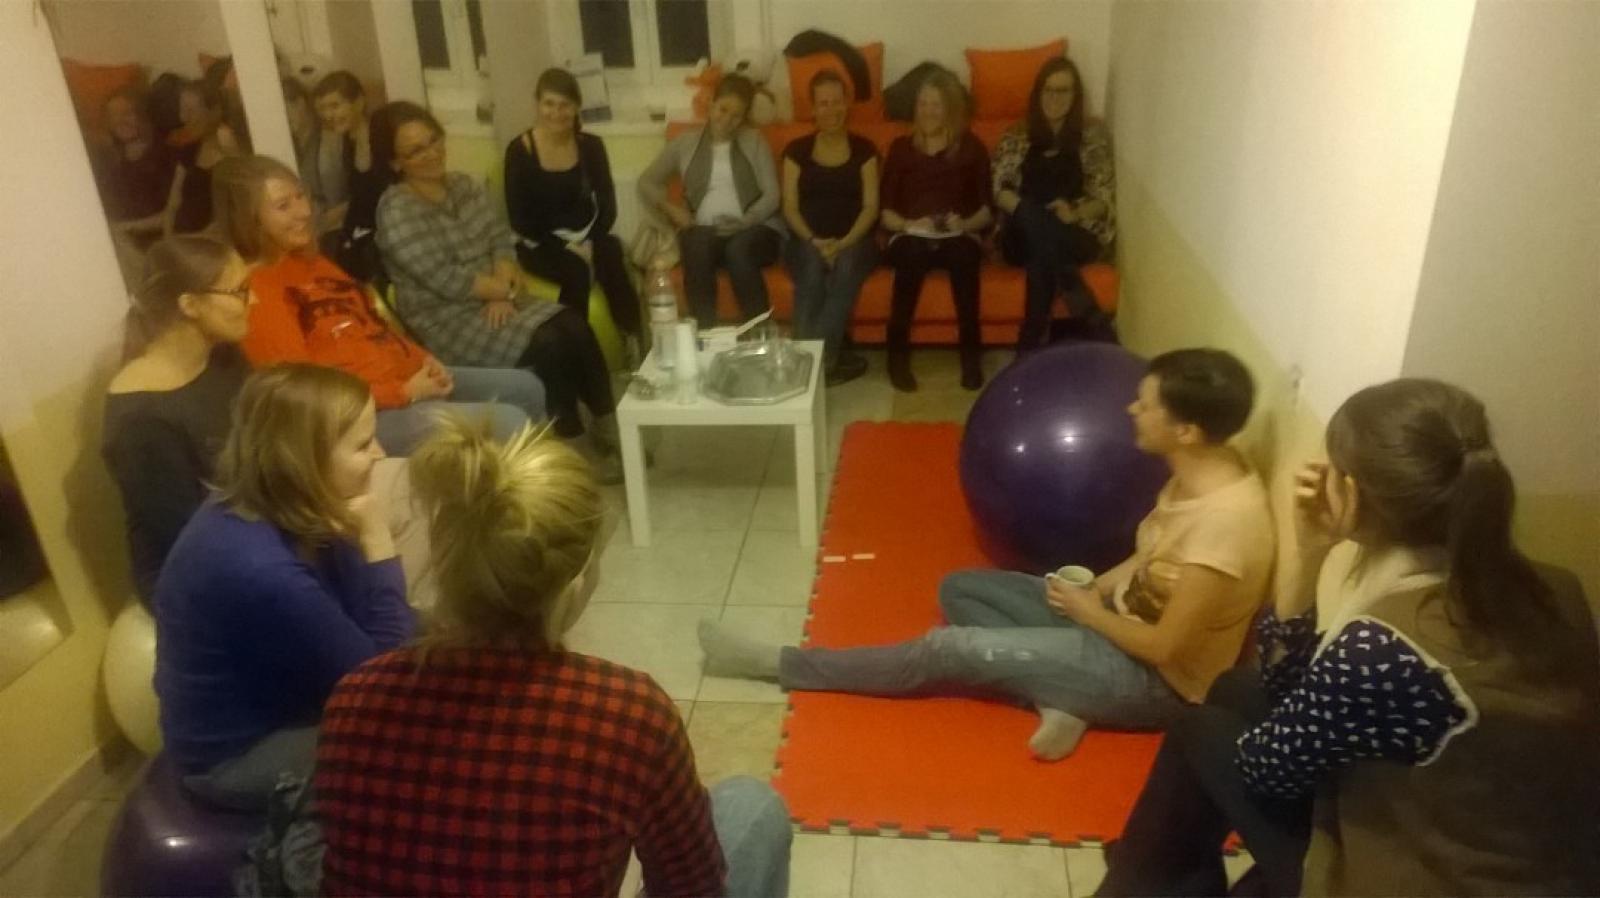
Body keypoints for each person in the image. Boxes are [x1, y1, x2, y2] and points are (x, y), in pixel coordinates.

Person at [1096, 379, 1600, 898]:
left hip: (1432, 878)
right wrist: (1312, 554)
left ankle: (1145, 873)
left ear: (1351, 493)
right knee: (1236, 690)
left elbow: (1267, 771)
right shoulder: (1554, 588)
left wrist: (1306, 555)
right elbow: (1293, 691)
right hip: (1535, 858)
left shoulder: (1383, 647)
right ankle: (1155, 860)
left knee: (1196, 731)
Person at [701, 349, 1274, 760]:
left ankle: (780, 664)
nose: (1130, 410)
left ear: (1187, 430)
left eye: (1145, 406)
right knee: (961, 589)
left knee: (950, 648)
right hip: (1113, 625)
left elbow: (1164, 647)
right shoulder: (1201, 469)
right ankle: (1061, 692)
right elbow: (1150, 555)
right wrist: (1095, 589)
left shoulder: (1225, 525)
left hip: (1154, 683)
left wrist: (1088, 613)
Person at [316, 418, 792, 897]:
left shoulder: (354, 698)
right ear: (575, 585)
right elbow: (693, 888)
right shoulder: (626, 715)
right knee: (751, 807)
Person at [155, 364, 416, 811]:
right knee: (429, 740)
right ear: (303, 459)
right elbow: (379, 685)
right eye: (362, 445)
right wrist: (377, 540)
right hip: (239, 756)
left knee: (442, 643)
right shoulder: (259, 568)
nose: (380, 453)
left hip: (293, 700)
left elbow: (365, 611)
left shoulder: (288, 500)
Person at [212, 154, 546, 456]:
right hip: (363, 416)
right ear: (250, 220)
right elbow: (306, 396)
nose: (304, 211)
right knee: (509, 422)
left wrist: (423, 359)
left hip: (407, 379)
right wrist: (404, 393)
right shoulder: (256, 292)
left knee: (526, 388)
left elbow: (374, 326)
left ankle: (524, 488)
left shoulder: (313, 263)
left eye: (301, 196)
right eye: (283, 206)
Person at [372, 101, 620, 473]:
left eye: (434, 140)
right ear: (396, 162)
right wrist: (502, 292)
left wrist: (503, 283)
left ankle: (608, 423)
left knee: (573, 324)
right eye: (416, 150)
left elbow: (500, 239)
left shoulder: (464, 185)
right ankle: (571, 444)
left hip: (497, 296)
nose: (432, 153)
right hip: (448, 321)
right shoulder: (395, 210)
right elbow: (444, 278)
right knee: (549, 343)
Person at [103, 235, 252, 606]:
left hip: (257, 524)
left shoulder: (222, 356)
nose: (254, 301)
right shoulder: (142, 422)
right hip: (195, 575)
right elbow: (190, 539)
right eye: (240, 291)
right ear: (190, 305)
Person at [504, 67, 642, 350]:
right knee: (575, 270)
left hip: (586, 236)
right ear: (537, 105)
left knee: (612, 253)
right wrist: (567, 246)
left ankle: (633, 340)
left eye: (565, 105)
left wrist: (589, 241)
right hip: (540, 243)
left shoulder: (591, 146)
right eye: (549, 104)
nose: (557, 113)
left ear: (577, 107)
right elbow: (520, 219)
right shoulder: (519, 151)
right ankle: (577, 349)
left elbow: (608, 206)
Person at [879, 68, 993, 392]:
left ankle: (970, 357)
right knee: (911, 254)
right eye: (923, 104)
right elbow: (885, 212)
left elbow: (987, 210)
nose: (927, 111)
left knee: (963, 257)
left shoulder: (971, 148)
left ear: (950, 109)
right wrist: (909, 225)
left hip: (958, 235)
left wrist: (965, 224)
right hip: (911, 234)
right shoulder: (900, 148)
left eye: (936, 104)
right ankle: (897, 356)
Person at [638, 73, 782, 325]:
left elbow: (772, 195)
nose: (726, 120)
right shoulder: (684, 143)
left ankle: (759, 332)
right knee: (696, 243)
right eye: (723, 109)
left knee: (739, 250)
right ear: (712, 104)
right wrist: (672, 210)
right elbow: (646, 182)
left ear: (744, 118)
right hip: (705, 230)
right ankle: (704, 333)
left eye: (736, 115)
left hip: (754, 229)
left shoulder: (755, 141)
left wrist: (746, 221)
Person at [993, 56, 1116, 351]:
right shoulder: (1016, 134)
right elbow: (999, 190)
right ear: (1038, 94)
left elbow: (1103, 199)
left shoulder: (1092, 137)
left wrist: (1073, 212)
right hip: (1020, 232)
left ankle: (1031, 337)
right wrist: (1028, 211)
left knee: (1042, 251)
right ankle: (1087, 312)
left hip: (1073, 230)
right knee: (1034, 223)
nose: (1054, 98)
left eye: (1063, 90)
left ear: (1075, 96)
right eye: (1048, 90)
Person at [781, 70, 879, 386]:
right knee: (810, 268)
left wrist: (843, 243)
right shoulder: (796, 151)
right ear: (812, 108)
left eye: (837, 102)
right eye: (823, 103)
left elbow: (871, 207)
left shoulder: (865, 150)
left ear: (846, 104)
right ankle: (815, 366)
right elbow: (790, 207)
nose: (831, 110)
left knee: (847, 267)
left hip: (856, 241)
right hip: (805, 240)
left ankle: (812, 368)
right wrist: (815, 241)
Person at [310, 71, 387, 282]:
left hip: (383, 230)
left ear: (359, 102)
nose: (329, 115)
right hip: (362, 228)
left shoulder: (380, 137)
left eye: (335, 105)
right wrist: (322, 221)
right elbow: (360, 196)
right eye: (323, 109)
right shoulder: (346, 142)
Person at [169, 79, 241, 233]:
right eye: (182, 110)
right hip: (182, 238)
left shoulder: (227, 143)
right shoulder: (189, 148)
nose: (183, 118)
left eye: (191, 111)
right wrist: (168, 241)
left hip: (211, 240)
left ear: (214, 111)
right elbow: (173, 205)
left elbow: (237, 207)